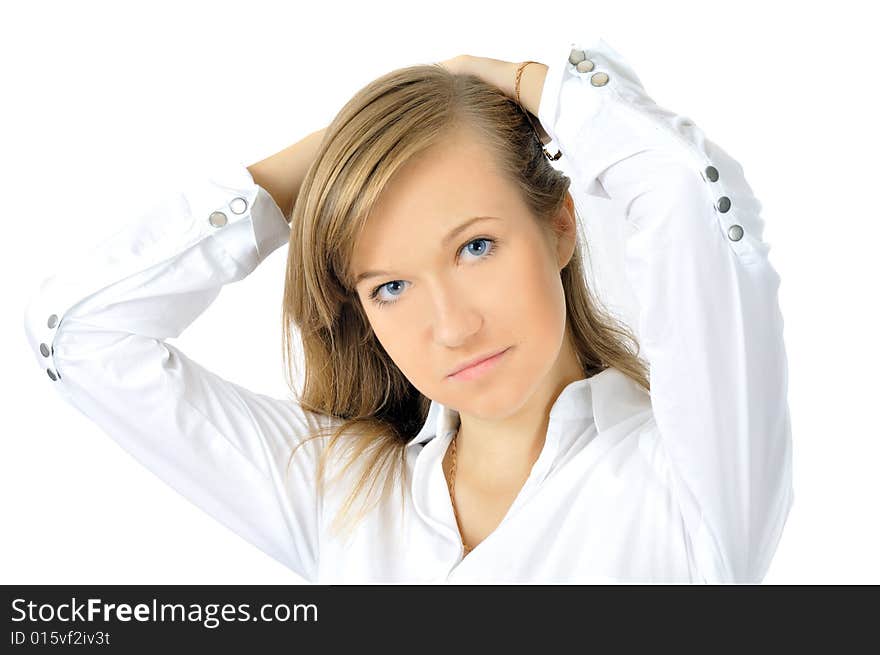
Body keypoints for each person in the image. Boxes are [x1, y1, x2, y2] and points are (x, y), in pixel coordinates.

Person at [23, 34, 794, 584]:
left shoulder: (691, 483)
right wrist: (355, 147)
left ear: (559, 224)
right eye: (389, 286)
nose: (453, 326)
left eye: (475, 247)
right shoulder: (344, 492)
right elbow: (80, 334)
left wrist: (516, 80)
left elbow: (688, 190)